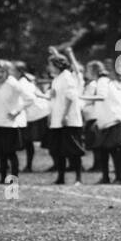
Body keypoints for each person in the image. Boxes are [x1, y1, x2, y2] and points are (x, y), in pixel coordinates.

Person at [47, 49, 86, 184]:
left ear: (58, 65)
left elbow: (71, 97)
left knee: (73, 150)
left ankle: (78, 178)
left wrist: (65, 116)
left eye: (51, 64)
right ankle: (61, 177)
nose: (49, 67)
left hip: (69, 120)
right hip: (58, 120)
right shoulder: (57, 79)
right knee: (59, 151)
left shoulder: (67, 76)